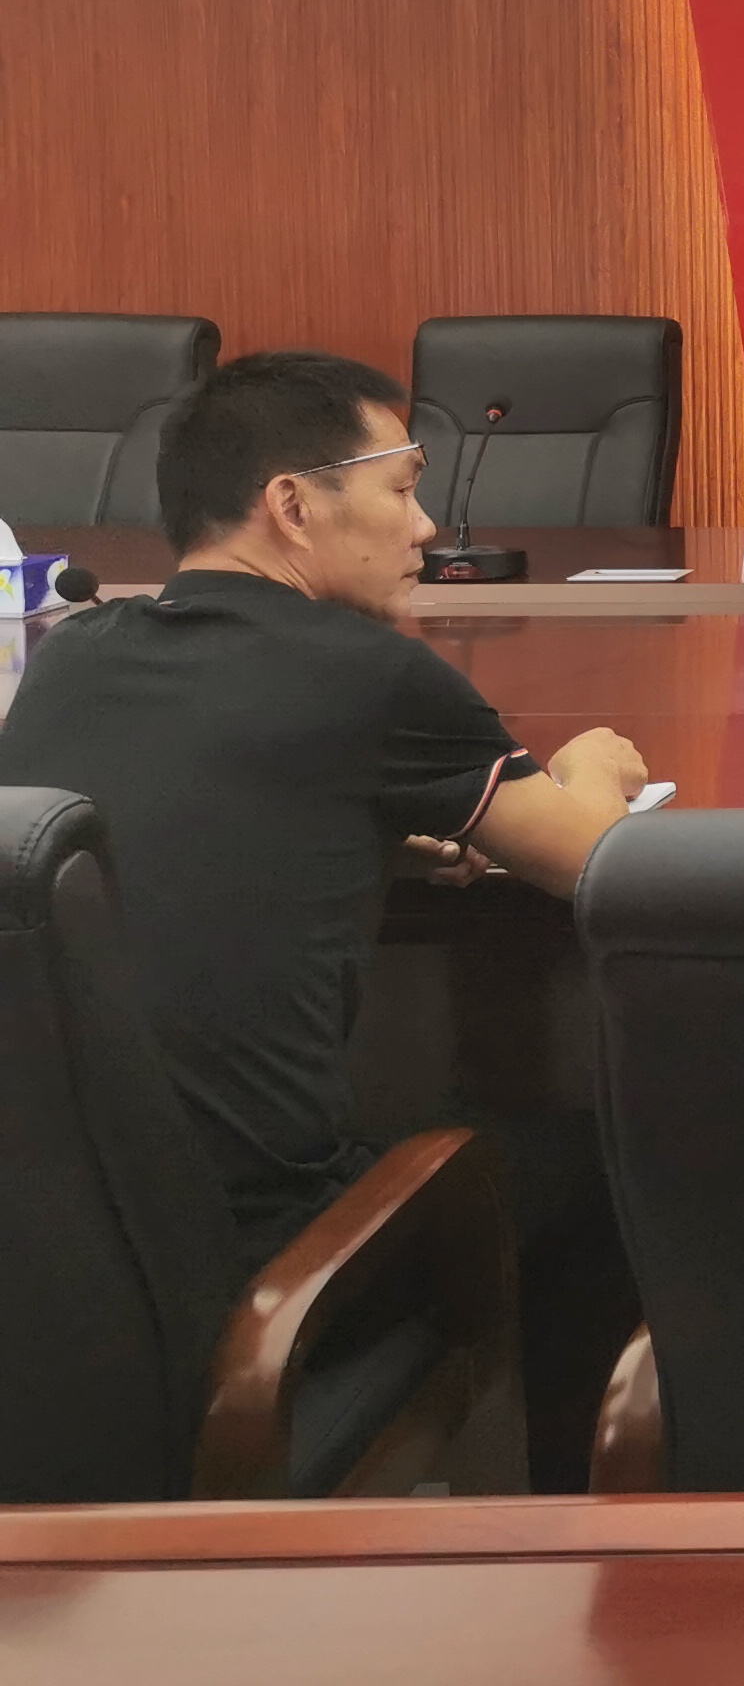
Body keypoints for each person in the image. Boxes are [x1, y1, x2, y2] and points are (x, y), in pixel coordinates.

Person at [0, 350, 649, 1483]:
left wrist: (370, 840)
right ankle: (575, 1547)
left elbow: (163, 829)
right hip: (263, 1280)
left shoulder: (69, 662)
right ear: (294, 504)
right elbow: (594, 860)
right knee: (598, 1167)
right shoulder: (370, 675)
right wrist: (597, 765)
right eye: (402, 488)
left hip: (55, 1278)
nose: (425, 526)